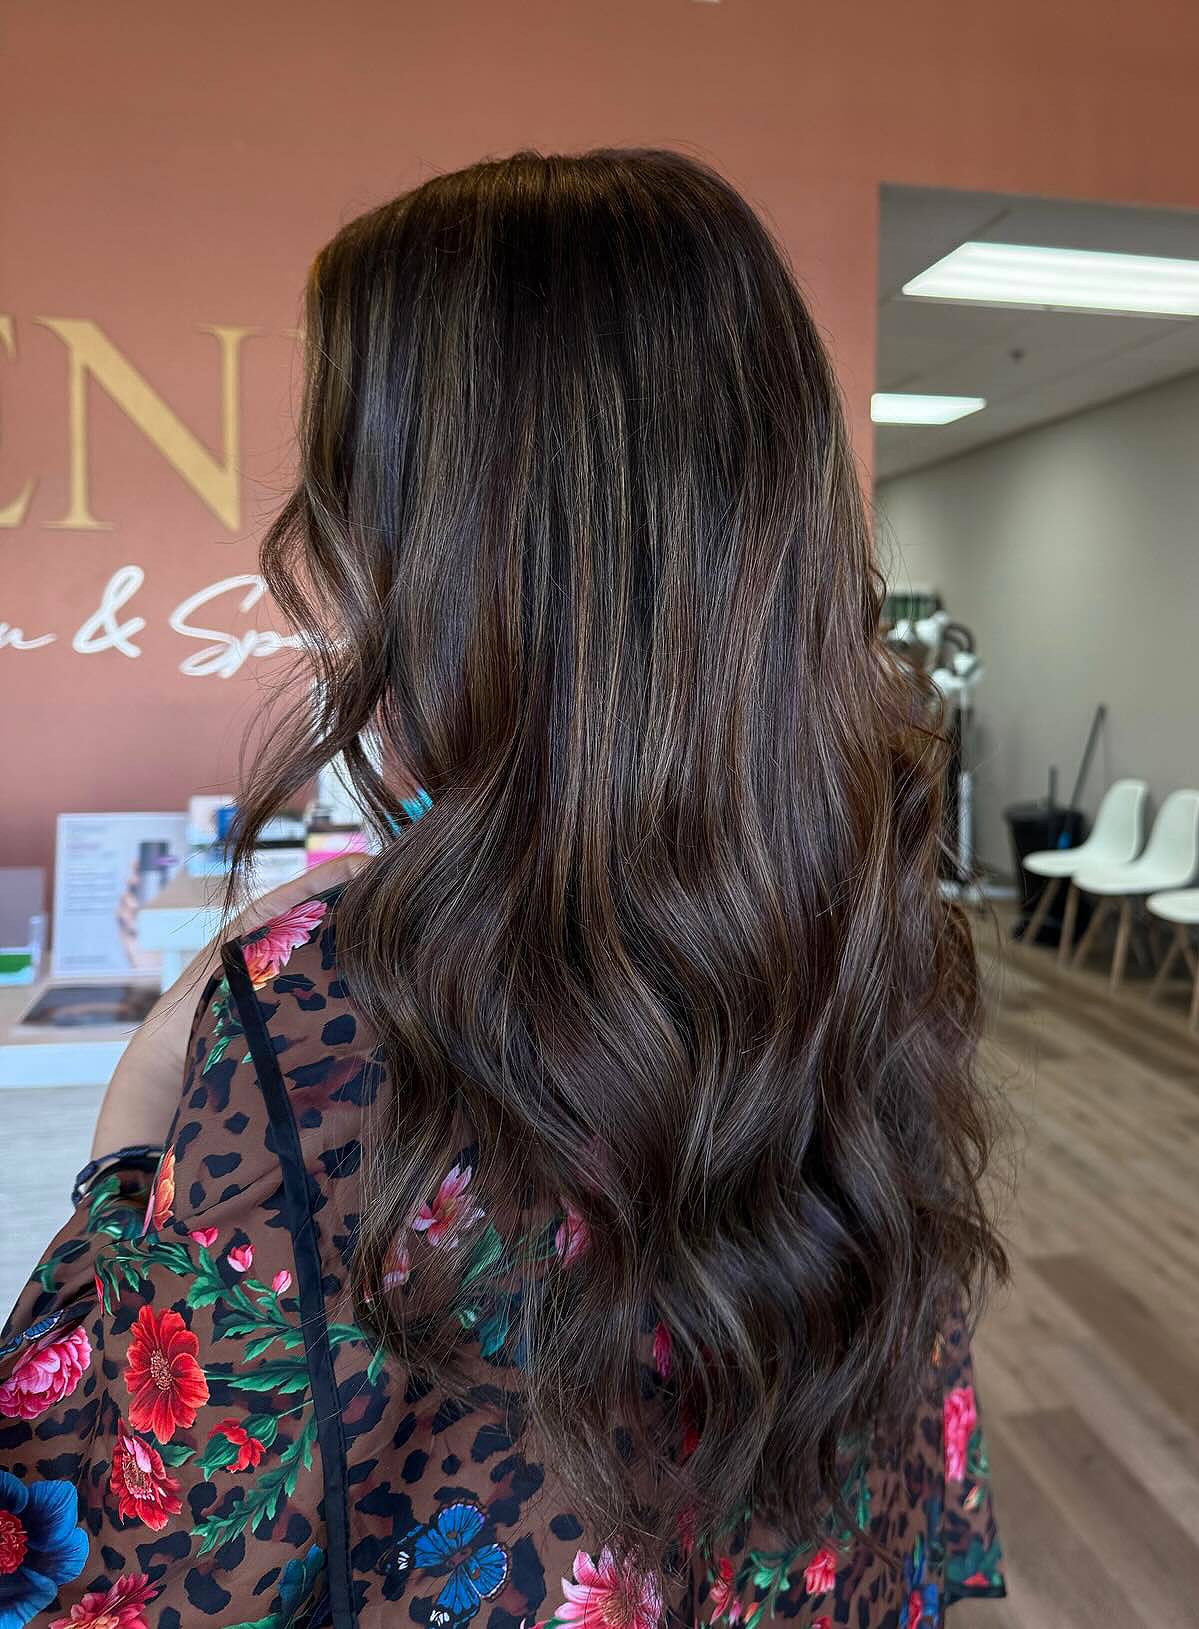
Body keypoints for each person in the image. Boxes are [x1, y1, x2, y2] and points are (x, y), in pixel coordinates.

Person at [0, 150, 1007, 1629]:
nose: (318, 586)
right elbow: (926, 1513)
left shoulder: (324, 1012)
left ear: (457, 563)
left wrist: (130, 1145)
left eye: (347, 509)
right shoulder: (866, 933)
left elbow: (97, 1567)